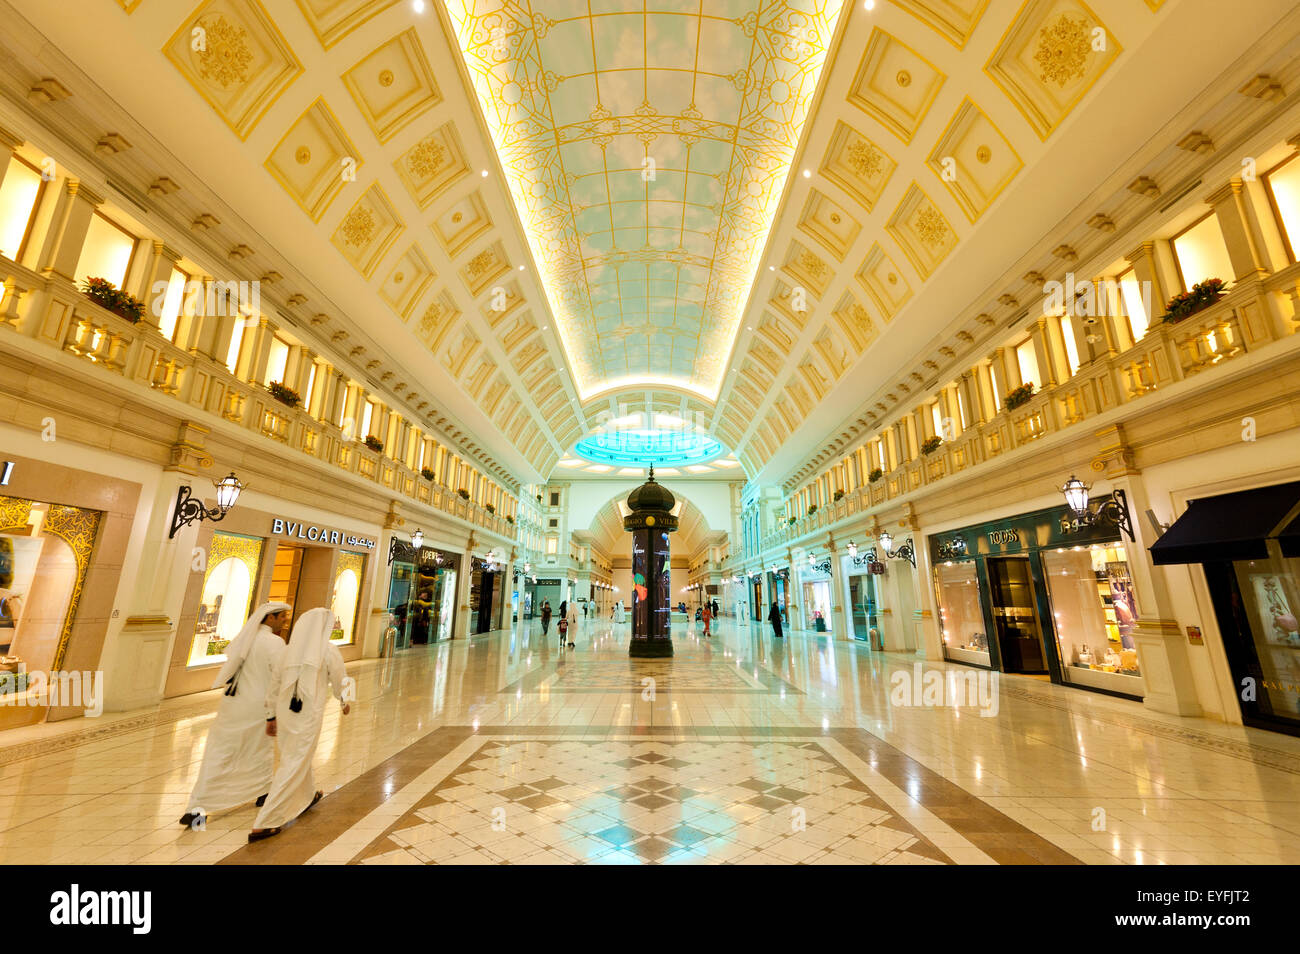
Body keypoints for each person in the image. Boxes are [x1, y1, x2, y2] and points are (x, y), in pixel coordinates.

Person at [180, 602, 290, 827]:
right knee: (258, 750)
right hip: (257, 707)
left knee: (220, 754)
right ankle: (262, 791)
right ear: (270, 619)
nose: (284, 622)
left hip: (232, 707)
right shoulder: (274, 643)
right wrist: (273, 713)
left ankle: (197, 808)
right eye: (282, 618)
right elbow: (280, 678)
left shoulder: (245, 639)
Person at [249, 608, 350, 842]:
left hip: (285, 715)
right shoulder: (327, 650)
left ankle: (308, 794)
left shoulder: (287, 652)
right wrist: (346, 700)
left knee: (294, 756)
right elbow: (341, 677)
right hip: (308, 715)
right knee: (294, 761)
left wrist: (270, 716)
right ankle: (266, 821)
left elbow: (274, 686)